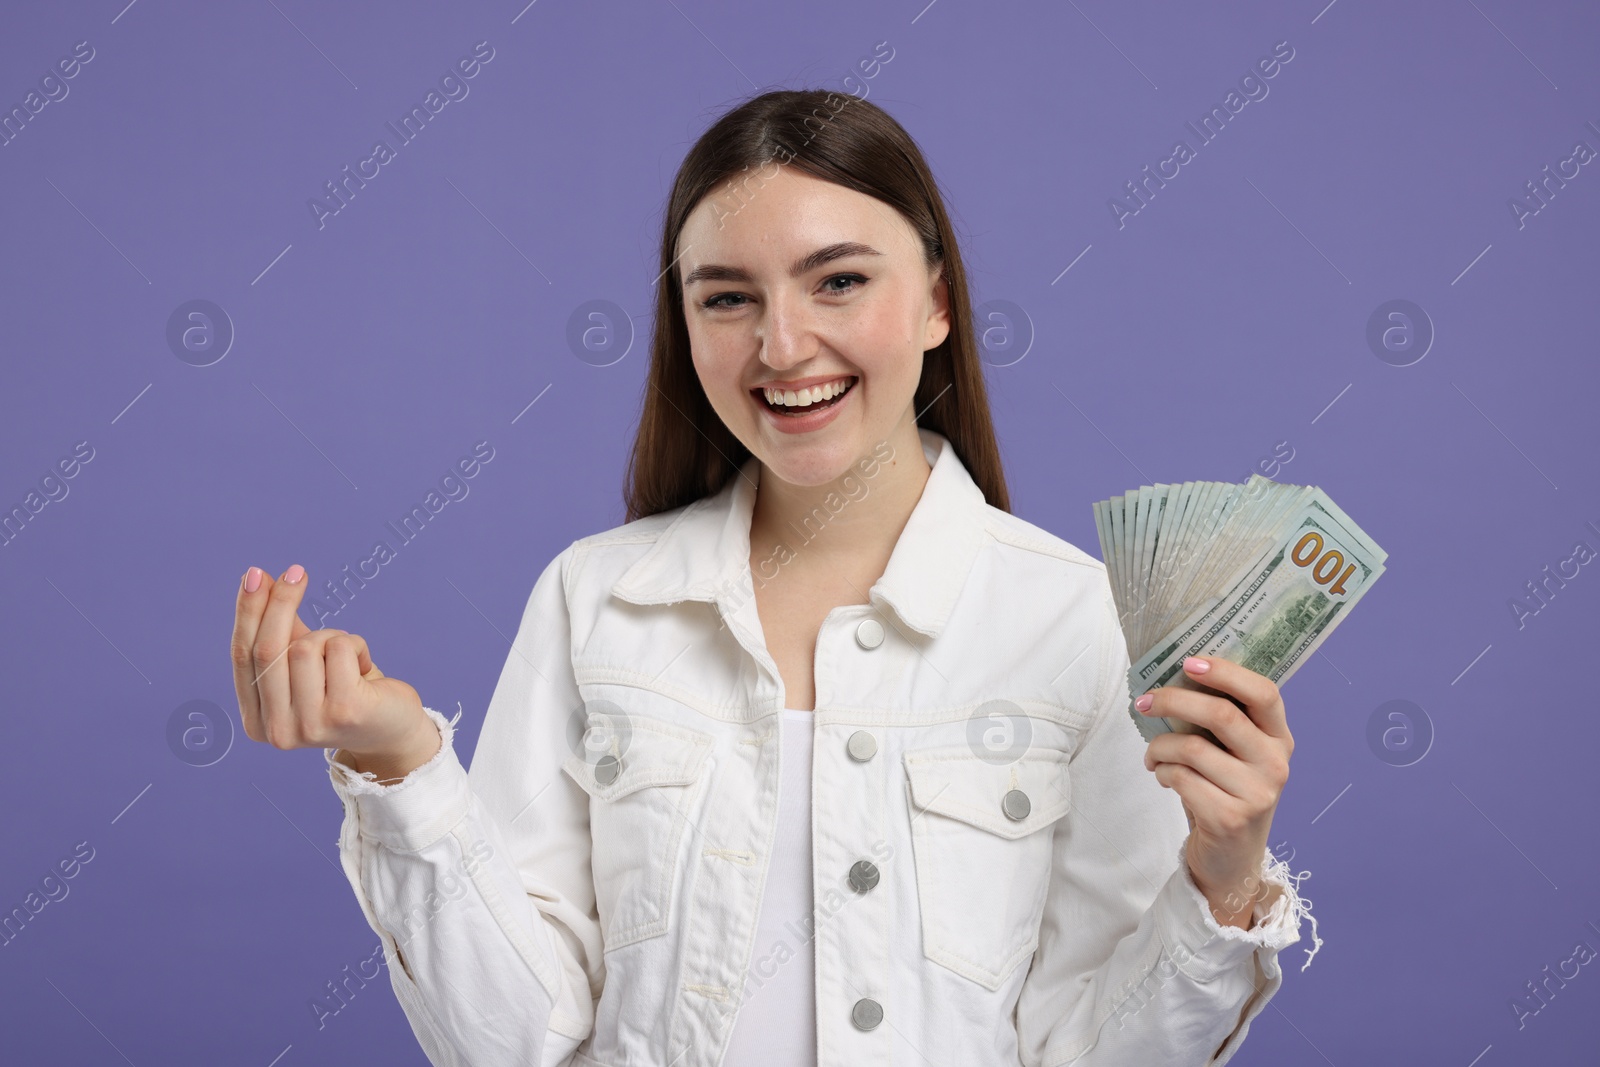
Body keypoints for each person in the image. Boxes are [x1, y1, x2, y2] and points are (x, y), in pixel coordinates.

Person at [230, 88, 1316, 1067]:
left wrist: (1224, 882)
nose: (782, 346)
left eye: (838, 280)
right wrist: (400, 765)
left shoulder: (1074, 619)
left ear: (937, 304)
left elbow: (1093, 1054)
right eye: (726, 298)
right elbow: (514, 1041)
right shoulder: (592, 601)